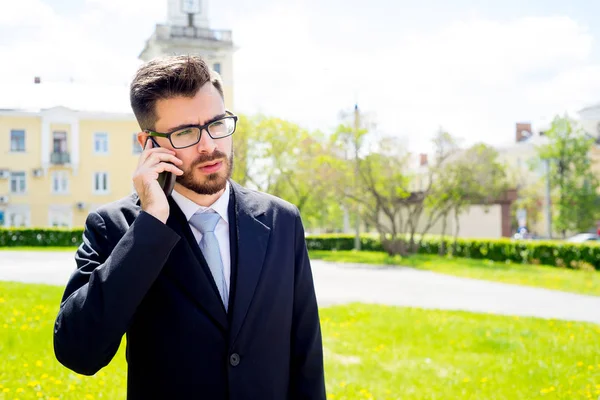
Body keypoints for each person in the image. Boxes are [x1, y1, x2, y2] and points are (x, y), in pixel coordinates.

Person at [53, 55, 326, 399]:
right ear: (148, 145)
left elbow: (306, 357)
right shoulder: (116, 226)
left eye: (216, 124)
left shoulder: (281, 220)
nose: (209, 145)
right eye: (185, 133)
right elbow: (78, 351)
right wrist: (150, 224)